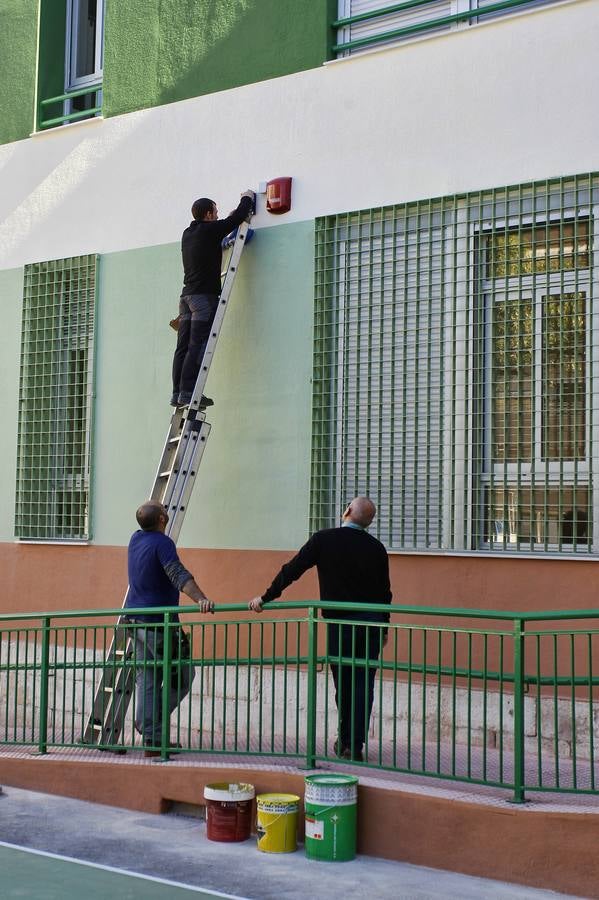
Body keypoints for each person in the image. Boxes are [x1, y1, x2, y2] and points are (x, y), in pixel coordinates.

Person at [249, 496, 392, 762]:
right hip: (371, 623)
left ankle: (346, 739)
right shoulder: (377, 548)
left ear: (347, 511)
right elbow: (386, 591)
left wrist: (266, 597)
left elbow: (292, 570)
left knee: (344, 681)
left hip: (341, 623)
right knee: (364, 682)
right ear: (369, 522)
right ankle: (354, 744)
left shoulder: (324, 539)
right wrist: (384, 626)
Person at [124, 500, 214, 757]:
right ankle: (150, 726)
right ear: (162, 520)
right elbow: (177, 574)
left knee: (148, 678)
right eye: (164, 510)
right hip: (159, 626)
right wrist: (201, 600)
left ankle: (152, 739)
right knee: (183, 677)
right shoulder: (163, 543)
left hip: (135, 622)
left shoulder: (135, 539)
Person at [171, 189, 255, 407]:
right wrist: (247, 198)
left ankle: (178, 393)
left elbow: (223, 227)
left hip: (186, 298)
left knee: (182, 347)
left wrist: (224, 228)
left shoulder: (188, 233)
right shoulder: (209, 231)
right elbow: (236, 219)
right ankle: (189, 393)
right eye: (215, 212)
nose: (217, 216)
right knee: (196, 346)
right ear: (208, 214)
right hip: (203, 299)